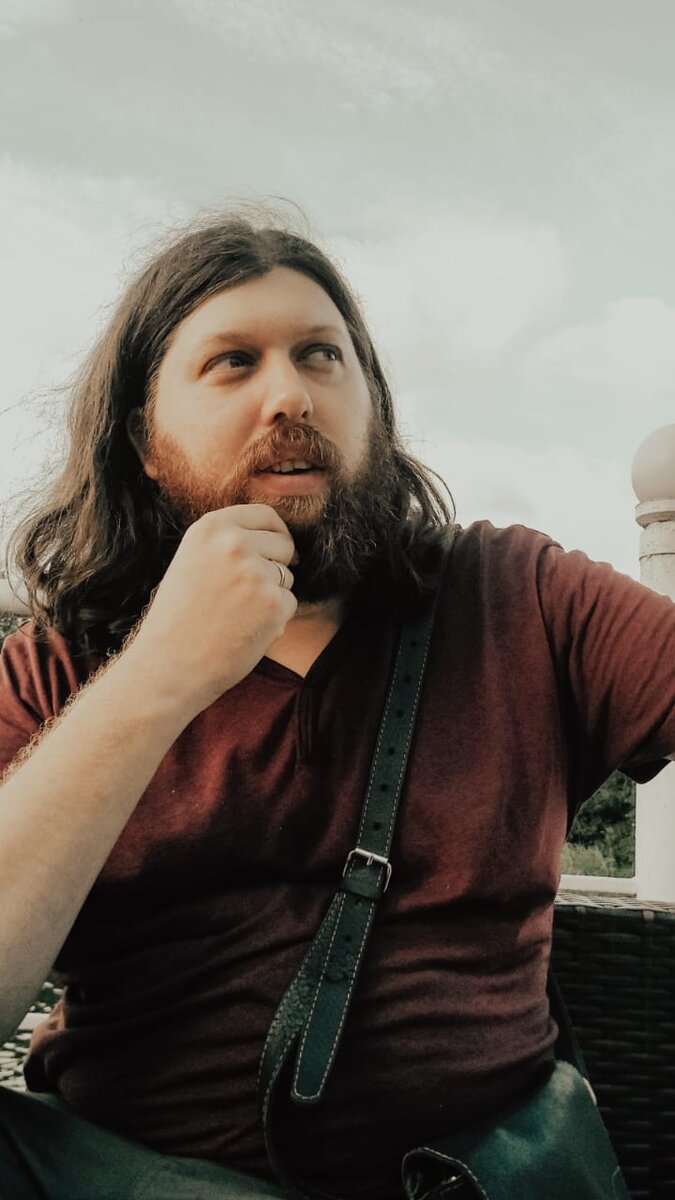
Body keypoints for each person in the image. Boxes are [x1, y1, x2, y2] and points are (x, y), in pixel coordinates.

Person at [0, 211, 673, 1200]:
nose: (289, 394)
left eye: (321, 355)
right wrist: (156, 675)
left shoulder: (519, 596)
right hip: (124, 1172)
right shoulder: (59, 665)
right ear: (144, 439)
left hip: (454, 1181)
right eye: (233, 363)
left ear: (373, 407)